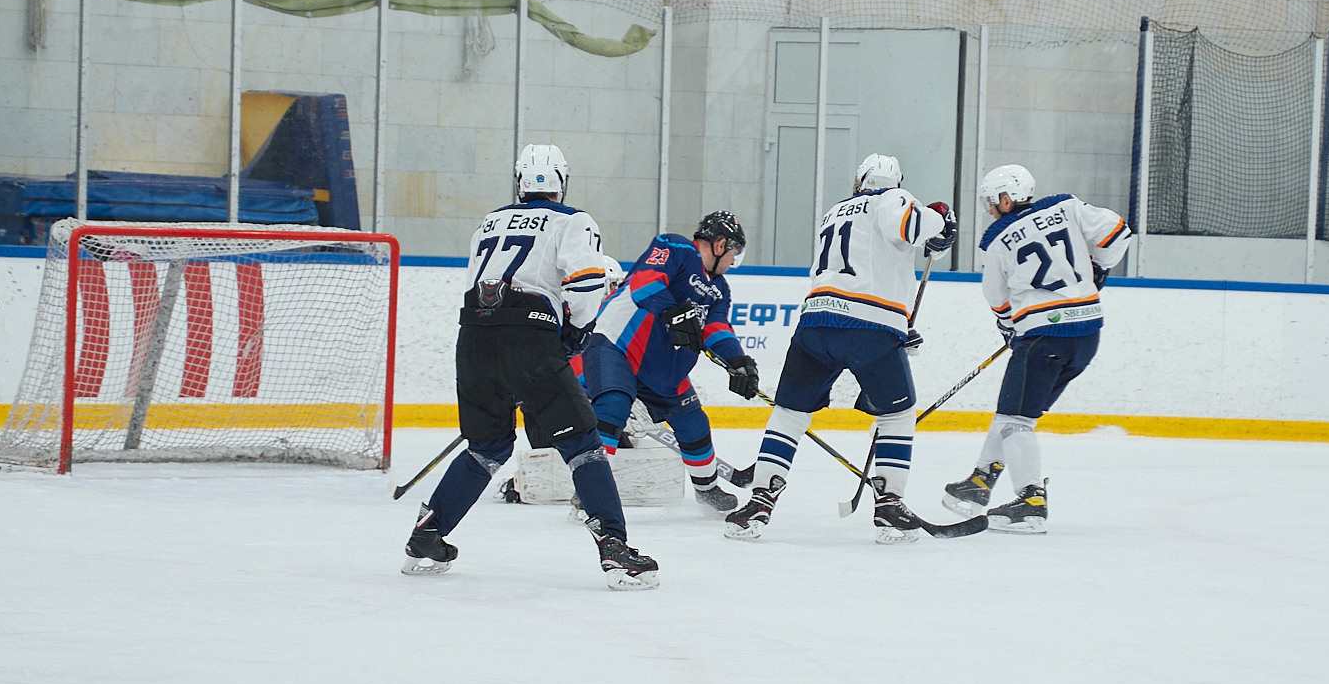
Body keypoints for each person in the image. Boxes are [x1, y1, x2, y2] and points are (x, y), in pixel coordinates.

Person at [402, 143, 661, 588]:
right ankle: (615, 550)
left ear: (518, 181)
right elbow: (586, 279)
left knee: (487, 447)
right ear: (563, 181)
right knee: (584, 443)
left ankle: (429, 533)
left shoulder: (488, 222)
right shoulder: (573, 219)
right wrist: (575, 332)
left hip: (473, 340)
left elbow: (474, 285)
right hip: (530, 336)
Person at [724, 153, 956, 543]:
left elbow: (866, 259)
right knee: (897, 416)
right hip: (870, 328)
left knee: (789, 414)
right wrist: (941, 221)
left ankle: (759, 504)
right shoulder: (893, 199)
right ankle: (889, 508)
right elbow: (914, 225)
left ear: (860, 179)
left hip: (815, 324)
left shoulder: (833, 212)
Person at [942, 165, 1133, 533]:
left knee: (1017, 420)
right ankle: (980, 482)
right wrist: (1098, 268)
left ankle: (1031, 502)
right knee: (1015, 409)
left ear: (1006, 198)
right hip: (1087, 334)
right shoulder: (1068, 207)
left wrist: (1010, 328)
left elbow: (997, 299)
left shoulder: (997, 240)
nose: (989, 211)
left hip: (1044, 338)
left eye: (990, 202)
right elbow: (1117, 231)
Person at [583, 210, 765, 514]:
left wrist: (739, 361)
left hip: (663, 365)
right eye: (733, 252)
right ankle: (590, 493)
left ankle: (707, 491)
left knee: (693, 423)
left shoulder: (719, 290)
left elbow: (715, 328)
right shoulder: (676, 248)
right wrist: (676, 312)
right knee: (612, 408)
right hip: (620, 347)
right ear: (720, 244)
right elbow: (645, 283)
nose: (733, 261)